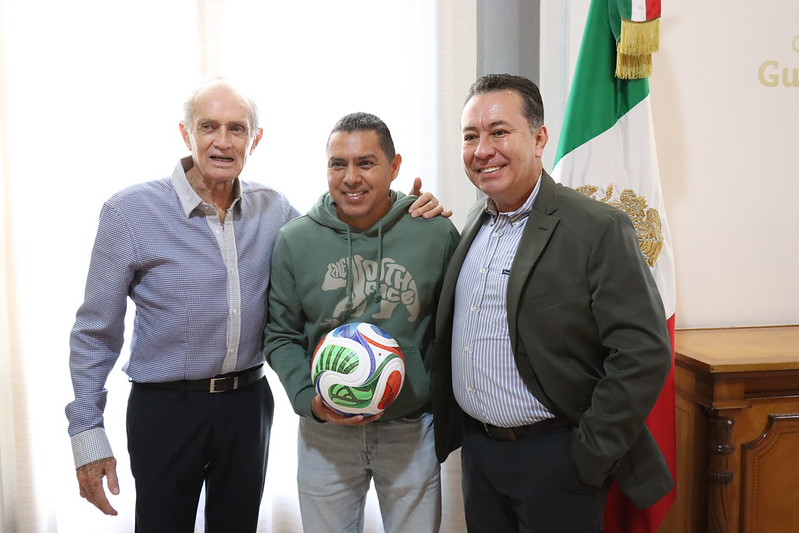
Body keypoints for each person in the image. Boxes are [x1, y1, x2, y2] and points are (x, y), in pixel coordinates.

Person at [65, 78, 447, 533]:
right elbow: (95, 332)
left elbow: (341, 228)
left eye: (237, 129)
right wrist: (87, 435)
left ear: (255, 139)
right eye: (209, 127)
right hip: (166, 408)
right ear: (186, 133)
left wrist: (408, 210)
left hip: (247, 407)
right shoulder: (130, 212)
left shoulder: (275, 211)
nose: (223, 141)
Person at [431, 73, 674, 532]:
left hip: (557, 460)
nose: (482, 149)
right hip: (480, 456)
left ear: (540, 138)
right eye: (470, 136)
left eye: (499, 131)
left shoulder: (596, 228)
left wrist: (589, 455)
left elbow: (643, 351)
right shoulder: (474, 221)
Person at [264, 112, 459, 533]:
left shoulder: (435, 233)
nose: (351, 177)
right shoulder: (295, 240)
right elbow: (280, 335)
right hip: (325, 434)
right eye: (338, 164)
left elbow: (456, 329)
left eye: (366, 163)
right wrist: (310, 401)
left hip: (410, 428)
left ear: (395, 166)